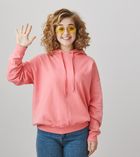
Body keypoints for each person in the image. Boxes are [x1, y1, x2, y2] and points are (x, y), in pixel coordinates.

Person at [6, 8, 103, 157]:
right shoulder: (41, 62)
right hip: (47, 136)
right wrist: (21, 47)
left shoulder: (89, 64)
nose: (66, 32)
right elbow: (14, 75)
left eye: (70, 27)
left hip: (78, 135)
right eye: (61, 28)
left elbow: (96, 102)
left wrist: (93, 133)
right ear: (54, 31)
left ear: (77, 30)